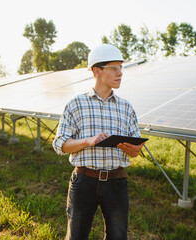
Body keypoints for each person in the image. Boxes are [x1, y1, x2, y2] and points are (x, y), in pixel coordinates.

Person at [52, 44, 144, 240]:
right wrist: (88, 141)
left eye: (121, 68)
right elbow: (60, 144)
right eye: (114, 68)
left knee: (118, 237)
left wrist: (134, 150)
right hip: (84, 181)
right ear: (97, 71)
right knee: (76, 236)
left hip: (117, 182)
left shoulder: (126, 108)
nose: (120, 73)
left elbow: (136, 150)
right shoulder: (76, 105)